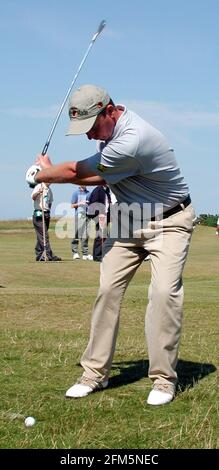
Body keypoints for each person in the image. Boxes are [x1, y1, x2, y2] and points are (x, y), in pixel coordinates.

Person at [26, 84, 196, 406]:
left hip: (169, 222)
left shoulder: (133, 140)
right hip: (130, 221)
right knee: (107, 291)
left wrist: (41, 174)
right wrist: (48, 173)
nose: (90, 135)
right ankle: (94, 373)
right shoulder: (110, 136)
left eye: (91, 126)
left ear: (109, 111)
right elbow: (99, 177)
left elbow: (79, 171)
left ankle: (163, 380)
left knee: (162, 294)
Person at [31, 182, 61, 261]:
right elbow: (33, 197)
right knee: (44, 236)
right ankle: (49, 255)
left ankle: (39, 254)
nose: (50, 181)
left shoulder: (49, 190)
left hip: (46, 214)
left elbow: (50, 202)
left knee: (41, 235)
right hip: (39, 214)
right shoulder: (39, 186)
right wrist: (38, 192)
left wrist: (48, 210)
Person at [87, 184, 111, 261]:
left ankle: (102, 254)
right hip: (100, 215)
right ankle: (97, 256)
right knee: (100, 235)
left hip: (105, 215)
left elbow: (107, 203)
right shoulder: (98, 190)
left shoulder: (107, 190)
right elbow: (94, 204)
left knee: (104, 235)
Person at [71, 185, 93, 260]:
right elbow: (72, 205)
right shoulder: (75, 193)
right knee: (76, 234)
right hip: (78, 215)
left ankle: (85, 254)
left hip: (87, 215)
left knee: (85, 235)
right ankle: (75, 252)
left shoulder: (89, 193)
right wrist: (80, 203)